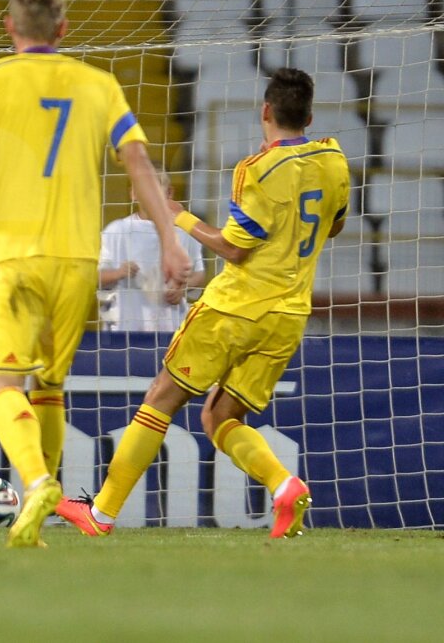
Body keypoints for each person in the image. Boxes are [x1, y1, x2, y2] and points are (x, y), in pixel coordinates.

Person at [0, 0, 191, 548]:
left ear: (9, 28)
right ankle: (39, 504)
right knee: (50, 382)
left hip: (16, 256)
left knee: (3, 380)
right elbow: (139, 164)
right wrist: (172, 241)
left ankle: (37, 480)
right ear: (63, 28)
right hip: (78, 260)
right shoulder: (98, 83)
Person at [56, 68, 349, 539]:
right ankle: (284, 484)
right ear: (309, 116)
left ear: (266, 111)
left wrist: (180, 217)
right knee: (219, 417)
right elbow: (332, 226)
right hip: (290, 314)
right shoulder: (334, 158)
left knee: (161, 398)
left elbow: (236, 248)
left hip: (235, 308)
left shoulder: (256, 170)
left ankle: (102, 513)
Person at [99, 170, 206, 332]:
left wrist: (183, 288)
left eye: (155, 185)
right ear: (133, 194)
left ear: (169, 192)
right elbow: (95, 277)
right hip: (124, 330)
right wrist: (118, 273)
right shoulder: (116, 230)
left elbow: (199, 274)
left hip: (172, 329)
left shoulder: (184, 232)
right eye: (143, 186)